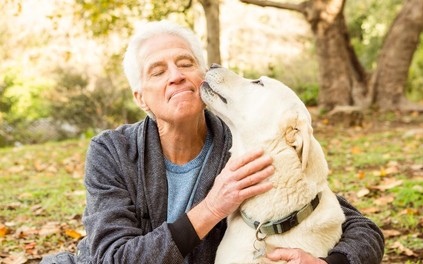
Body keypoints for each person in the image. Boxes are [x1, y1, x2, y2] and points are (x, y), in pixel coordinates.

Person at [41, 20, 384, 264]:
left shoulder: (244, 144)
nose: (176, 75)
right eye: (157, 72)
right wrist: (212, 207)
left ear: (202, 77)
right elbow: (113, 258)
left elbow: (360, 227)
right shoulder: (111, 152)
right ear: (141, 97)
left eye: (186, 63)